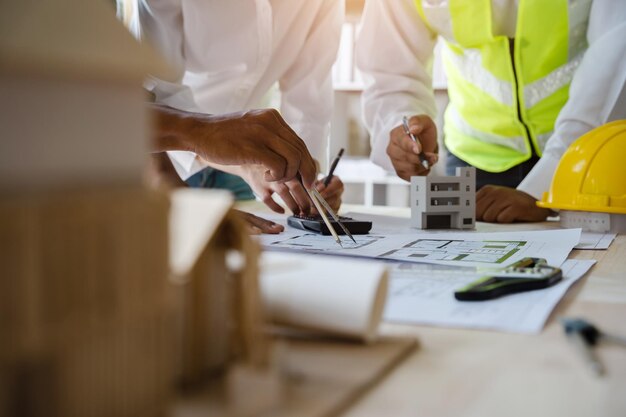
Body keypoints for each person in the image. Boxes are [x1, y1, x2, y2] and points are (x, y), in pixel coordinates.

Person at [357, 0, 626, 223]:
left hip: (585, 157)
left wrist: (546, 185)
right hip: (475, 159)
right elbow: (389, 68)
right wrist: (401, 126)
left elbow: (615, 55)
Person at [124, 0, 345, 217]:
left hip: (248, 167)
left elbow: (309, 97)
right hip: (165, 157)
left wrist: (306, 179)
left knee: (255, 244)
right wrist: (229, 150)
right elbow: (152, 91)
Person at [150, 104, 318, 233]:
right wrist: (202, 130)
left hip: (245, 160)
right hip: (180, 163)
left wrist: (307, 177)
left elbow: (159, 96)